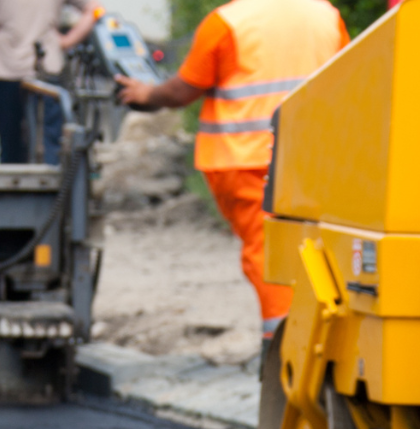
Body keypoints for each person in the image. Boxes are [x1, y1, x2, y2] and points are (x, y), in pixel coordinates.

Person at [115, 0, 348, 336]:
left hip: (247, 159)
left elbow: (183, 90)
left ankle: (282, 348)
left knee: (268, 251)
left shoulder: (227, 23)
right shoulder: (326, 14)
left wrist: (146, 93)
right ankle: (315, 335)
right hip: (315, 157)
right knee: (315, 246)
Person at [0, 0, 100, 165]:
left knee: (8, 147)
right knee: (50, 146)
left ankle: (9, 188)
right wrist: (67, 41)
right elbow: (95, 10)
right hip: (47, 70)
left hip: (6, 69)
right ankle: (51, 189)